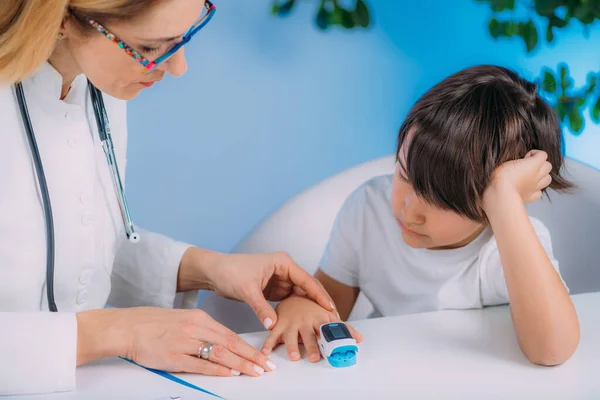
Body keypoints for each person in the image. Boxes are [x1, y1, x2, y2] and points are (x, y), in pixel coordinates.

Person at [0, 0, 335, 395]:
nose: (178, 68)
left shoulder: (99, 86)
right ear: (60, 20)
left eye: (183, 38)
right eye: (147, 48)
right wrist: (116, 332)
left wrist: (206, 268)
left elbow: (67, 243)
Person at [262, 65, 581, 367]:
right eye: (404, 174)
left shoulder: (511, 241)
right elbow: (326, 305)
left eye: (440, 198)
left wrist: (505, 200)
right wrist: (301, 306)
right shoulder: (369, 210)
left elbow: (552, 350)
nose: (409, 210)